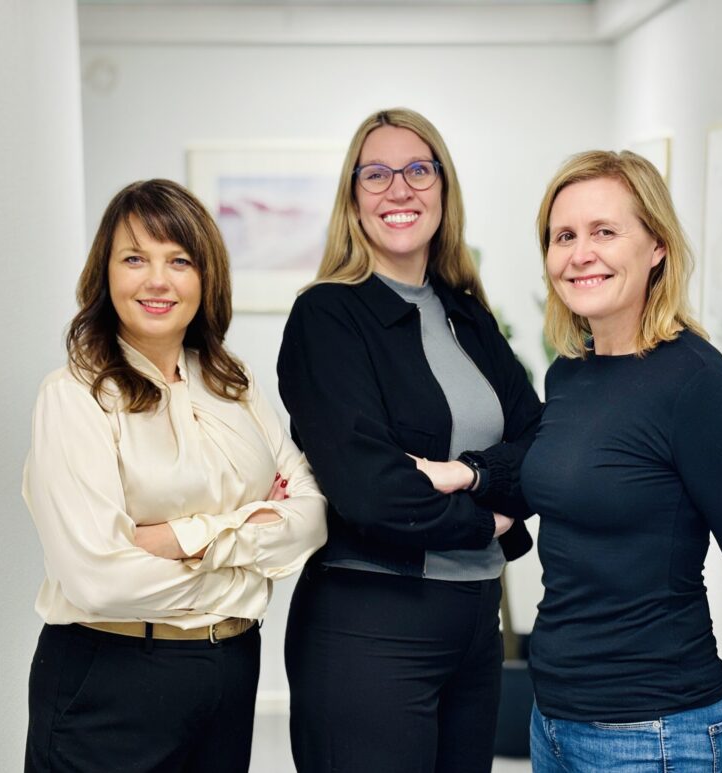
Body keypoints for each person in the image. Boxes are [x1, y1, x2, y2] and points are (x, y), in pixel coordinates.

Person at [22, 179, 327, 772]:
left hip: (231, 671)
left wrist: (182, 537)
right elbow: (97, 582)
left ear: (205, 276)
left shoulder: (231, 382)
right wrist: (244, 569)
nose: (157, 281)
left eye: (179, 261)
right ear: (103, 274)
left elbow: (310, 517)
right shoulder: (74, 396)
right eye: (134, 258)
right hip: (111, 679)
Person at [277, 108, 542, 773]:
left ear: (444, 190)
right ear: (353, 200)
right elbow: (372, 492)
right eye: (377, 174)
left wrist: (469, 473)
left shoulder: (465, 312)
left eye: (419, 169)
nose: (400, 189)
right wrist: (495, 514)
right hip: (371, 625)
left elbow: (542, 442)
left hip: (475, 624)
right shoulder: (328, 317)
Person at [522, 151, 722, 772]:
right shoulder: (568, 373)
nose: (580, 253)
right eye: (563, 235)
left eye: (605, 232)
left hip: (652, 733)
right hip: (554, 719)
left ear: (656, 248)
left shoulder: (694, 385)